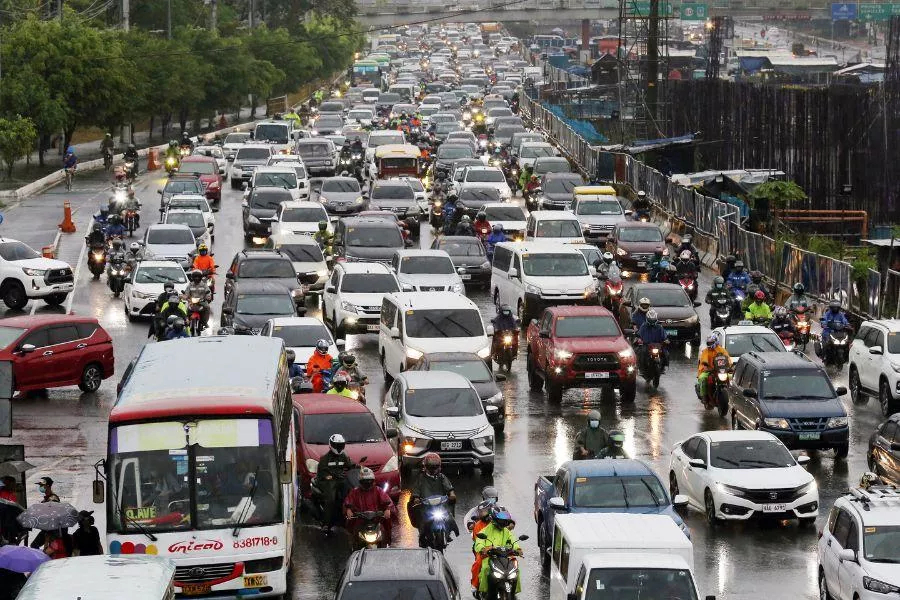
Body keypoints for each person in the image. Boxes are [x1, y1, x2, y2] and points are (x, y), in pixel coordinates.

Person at [410, 453, 457, 547]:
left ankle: (448, 533)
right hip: (426, 508)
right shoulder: (421, 478)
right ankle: (422, 537)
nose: (433, 469)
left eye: (435, 467)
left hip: (440, 506)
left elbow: (450, 490)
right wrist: (416, 498)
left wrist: (452, 495)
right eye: (431, 467)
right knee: (422, 521)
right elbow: (416, 492)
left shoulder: (442, 477)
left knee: (449, 517)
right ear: (426, 467)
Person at [472, 508, 522, 597]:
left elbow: (513, 541)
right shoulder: (486, 530)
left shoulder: (506, 531)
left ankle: (513, 593)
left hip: (505, 557)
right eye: (502, 521)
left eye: (505, 521)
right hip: (490, 558)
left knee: (516, 569)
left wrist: (517, 549)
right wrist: (484, 548)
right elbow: (478, 543)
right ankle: (484, 592)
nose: (504, 523)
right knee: (485, 569)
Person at [315, 434, 356, 533]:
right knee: (331, 499)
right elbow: (322, 474)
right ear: (331, 445)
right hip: (328, 481)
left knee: (352, 492)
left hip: (340, 480)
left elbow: (350, 465)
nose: (339, 448)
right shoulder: (325, 459)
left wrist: (360, 467)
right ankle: (326, 523)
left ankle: (352, 516)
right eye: (337, 445)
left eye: (340, 445)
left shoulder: (343, 456)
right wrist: (331, 476)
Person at [344, 466, 394, 546]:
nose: (367, 483)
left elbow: (387, 500)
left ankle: (387, 543)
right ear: (360, 482)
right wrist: (348, 509)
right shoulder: (355, 492)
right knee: (352, 529)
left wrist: (387, 509)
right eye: (365, 481)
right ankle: (354, 545)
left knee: (387, 526)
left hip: (376, 519)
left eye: (369, 481)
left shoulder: (378, 490)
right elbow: (348, 501)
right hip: (360, 520)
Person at [697, 335, 732, 402]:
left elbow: (728, 359)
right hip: (709, 370)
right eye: (708, 343)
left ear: (716, 341)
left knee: (731, 377)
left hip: (721, 370)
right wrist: (706, 367)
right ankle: (704, 397)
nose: (709, 344)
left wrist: (729, 367)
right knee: (703, 378)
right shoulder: (705, 351)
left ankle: (732, 395)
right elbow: (704, 360)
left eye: (711, 342)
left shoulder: (722, 350)